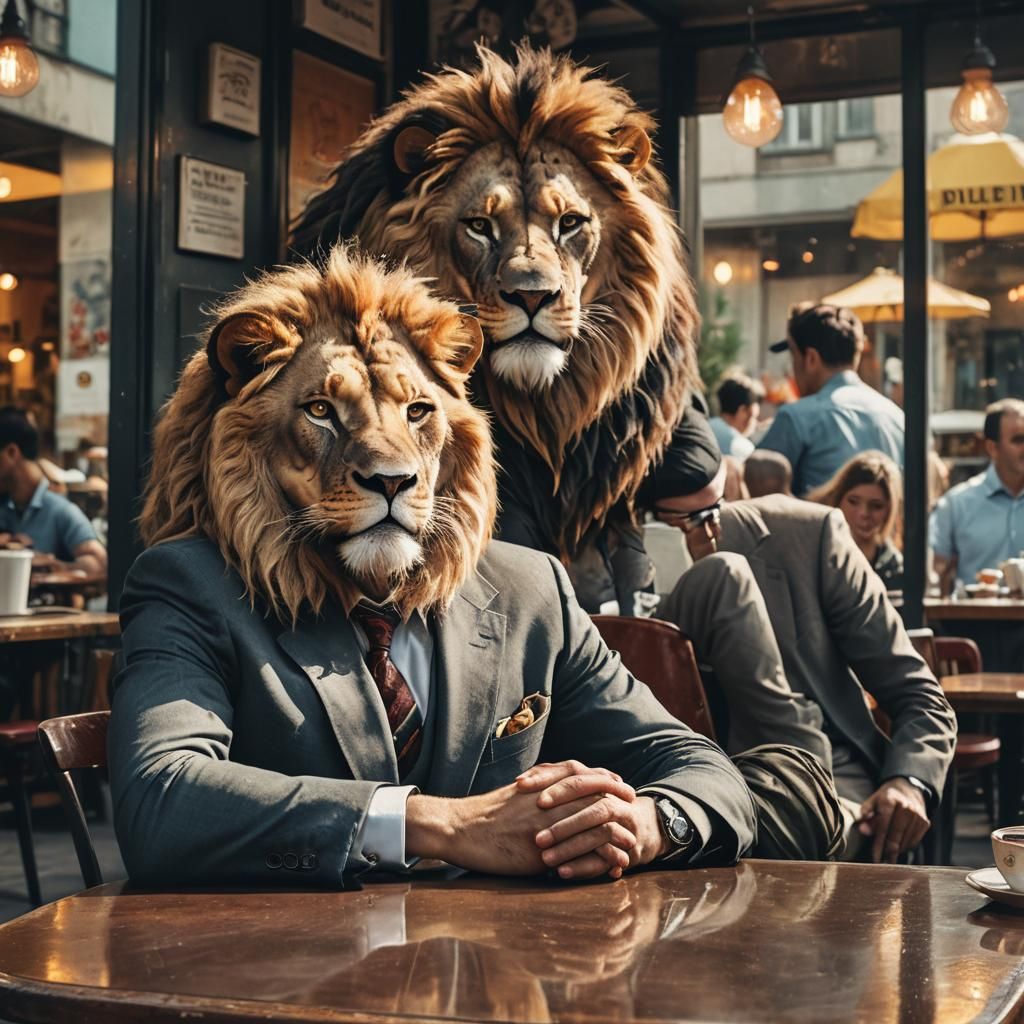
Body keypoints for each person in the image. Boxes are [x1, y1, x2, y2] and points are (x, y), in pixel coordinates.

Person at [108, 247, 757, 888]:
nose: (390, 464)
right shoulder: (189, 587)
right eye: (322, 413)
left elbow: (704, 771)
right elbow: (160, 800)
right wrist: (438, 825)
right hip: (292, 974)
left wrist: (644, 825)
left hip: (496, 975)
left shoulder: (530, 592)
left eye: (418, 414)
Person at [649, 453, 955, 863]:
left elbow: (919, 696)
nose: (700, 532)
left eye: (704, 515)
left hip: (830, 782)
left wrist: (908, 781)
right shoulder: (576, 557)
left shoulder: (808, 535)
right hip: (679, 798)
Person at [757, 304, 904, 495]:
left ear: (810, 359)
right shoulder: (896, 417)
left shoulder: (797, 418)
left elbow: (757, 487)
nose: (793, 369)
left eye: (793, 356)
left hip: (819, 525)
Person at [930, 397, 1024, 593]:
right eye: (1018, 440)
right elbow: (935, 575)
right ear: (992, 448)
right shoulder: (956, 504)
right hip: (974, 621)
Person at [0, 407, 106, 575]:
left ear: (11, 453)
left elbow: (98, 561)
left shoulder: (59, 510)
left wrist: (53, 566)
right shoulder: (5, 507)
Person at [809, 451, 904, 593]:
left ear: (890, 510)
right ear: (838, 498)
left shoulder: (893, 565)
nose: (864, 514)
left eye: (876, 506)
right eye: (853, 502)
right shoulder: (814, 553)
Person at [709, 373, 764, 462]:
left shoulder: (705, 427)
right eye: (754, 416)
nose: (755, 423)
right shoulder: (741, 446)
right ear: (742, 411)